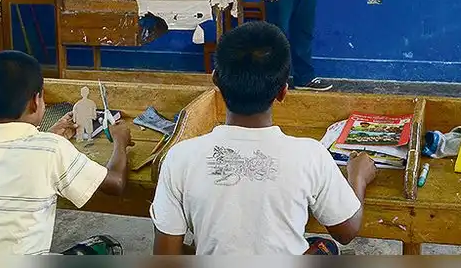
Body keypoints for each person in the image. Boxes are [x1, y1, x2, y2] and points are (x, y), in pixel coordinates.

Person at [150, 21, 377, 255]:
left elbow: (165, 256)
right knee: (326, 248)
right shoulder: (310, 156)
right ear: (283, 91)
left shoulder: (179, 158)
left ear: (216, 79)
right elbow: (347, 231)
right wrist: (357, 177)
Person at [0, 51, 132, 255]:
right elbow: (115, 184)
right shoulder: (51, 149)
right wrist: (120, 141)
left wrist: (46, 136)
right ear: (36, 101)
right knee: (105, 247)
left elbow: (13, 156)